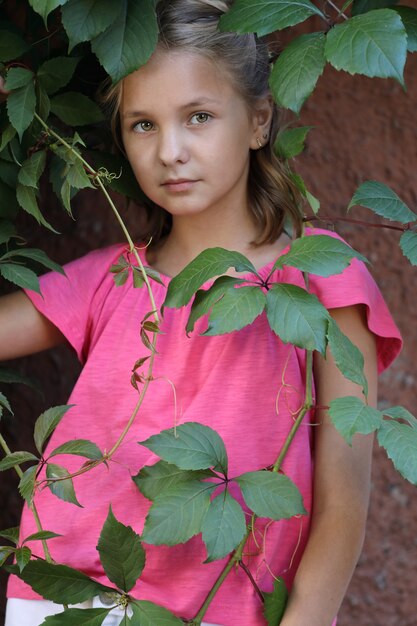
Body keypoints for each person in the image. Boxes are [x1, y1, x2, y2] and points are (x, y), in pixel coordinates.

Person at [0, 1, 402, 625]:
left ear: (259, 121)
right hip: (63, 602)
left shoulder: (324, 276)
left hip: (227, 609)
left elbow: (343, 503)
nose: (170, 151)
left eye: (199, 116)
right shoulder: (112, 279)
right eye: (143, 125)